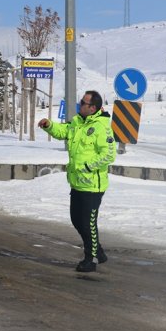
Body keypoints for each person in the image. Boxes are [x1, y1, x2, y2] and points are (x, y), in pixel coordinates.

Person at [38, 90, 117, 272]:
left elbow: (109, 154)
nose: (80, 105)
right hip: (76, 182)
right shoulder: (77, 122)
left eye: (83, 103)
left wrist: (87, 167)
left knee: (88, 223)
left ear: (93, 108)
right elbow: (63, 131)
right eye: (81, 101)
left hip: (92, 185)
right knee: (76, 220)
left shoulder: (101, 127)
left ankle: (91, 259)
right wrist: (49, 125)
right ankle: (98, 251)